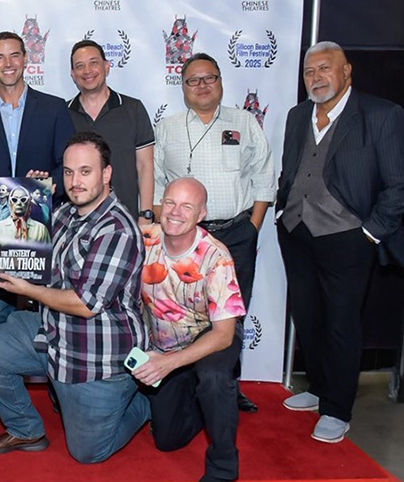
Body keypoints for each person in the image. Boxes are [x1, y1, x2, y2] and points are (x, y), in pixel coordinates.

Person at [0, 132, 149, 463]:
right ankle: (26, 430)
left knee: (87, 453)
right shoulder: (65, 214)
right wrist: (34, 195)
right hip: (52, 333)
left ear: (106, 174)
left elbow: (85, 305)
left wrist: (28, 291)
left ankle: (144, 400)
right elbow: (27, 249)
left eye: (85, 171)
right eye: (68, 172)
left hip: (97, 356)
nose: (75, 181)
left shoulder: (117, 229)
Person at [276, 41, 404, 443]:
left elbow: (398, 185)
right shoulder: (298, 115)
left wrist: (370, 231)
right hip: (296, 232)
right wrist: (282, 212)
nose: (316, 78)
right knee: (309, 317)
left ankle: (337, 408)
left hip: (348, 237)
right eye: (309, 72)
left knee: (342, 323)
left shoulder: (381, 115)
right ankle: (317, 387)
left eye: (325, 69)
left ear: (346, 71)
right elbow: (291, 170)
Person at [153, 52, 274, 413]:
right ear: (183, 87)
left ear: (221, 81)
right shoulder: (169, 127)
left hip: (235, 232)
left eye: (210, 78)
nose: (202, 86)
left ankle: (226, 387)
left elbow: (264, 178)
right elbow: (158, 183)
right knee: (180, 310)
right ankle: (181, 383)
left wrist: (250, 229)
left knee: (230, 317)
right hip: (182, 237)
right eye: (193, 80)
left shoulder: (244, 122)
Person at [0, 31, 74, 327]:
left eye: (14, 55)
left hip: (47, 229)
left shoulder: (55, 108)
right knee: (1, 315)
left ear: (25, 60)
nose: (7, 63)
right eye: (0, 57)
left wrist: (44, 190)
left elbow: (68, 164)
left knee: (48, 316)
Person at [135, 177, 246, 482]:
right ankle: (203, 403)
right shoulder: (144, 237)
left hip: (210, 338)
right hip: (165, 345)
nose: (175, 212)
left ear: (201, 214)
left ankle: (223, 468)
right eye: (170, 202)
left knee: (213, 379)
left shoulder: (216, 257)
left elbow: (224, 335)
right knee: (167, 440)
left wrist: (167, 363)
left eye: (187, 206)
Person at [66, 40, 155, 222]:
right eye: (80, 66)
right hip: (75, 222)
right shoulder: (62, 113)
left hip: (125, 220)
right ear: (73, 74)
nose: (87, 71)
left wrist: (145, 215)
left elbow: (145, 166)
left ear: (106, 66)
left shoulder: (133, 109)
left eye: (93, 63)